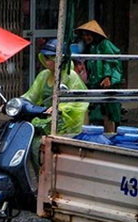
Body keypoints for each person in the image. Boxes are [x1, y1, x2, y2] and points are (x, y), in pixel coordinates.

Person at [20, 38, 89, 171]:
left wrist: (60, 108)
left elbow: (78, 101)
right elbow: (31, 95)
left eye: (50, 57)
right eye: (44, 57)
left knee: (40, 146)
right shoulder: (44, 75)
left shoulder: (70, 76)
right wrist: (16, 104)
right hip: (44, 120)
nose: (46, 61)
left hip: (65, 124)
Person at [74, 20, 123, 133]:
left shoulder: (105, 44)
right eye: (84, 35)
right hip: (95, 85)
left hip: (107, 85)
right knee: (93, 111)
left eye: (88, 35)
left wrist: (108, 77)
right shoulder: (90, 48)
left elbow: (112, 61)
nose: (86, 37)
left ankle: (110, 137)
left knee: (109, 114)